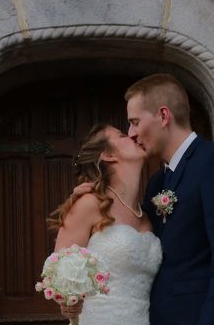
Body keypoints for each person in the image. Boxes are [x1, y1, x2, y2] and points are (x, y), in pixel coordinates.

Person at [68, 73, 214, 325]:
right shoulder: (157, 182)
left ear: (163, 116)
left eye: (134, 122)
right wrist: (96, 194)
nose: (131, 133)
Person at [49, 123, 162, 325]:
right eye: (121, 135)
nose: (132, 135)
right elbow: (59, 272)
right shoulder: (88, 205)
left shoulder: (147, 214)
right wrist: (68, 303)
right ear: (108, 155)